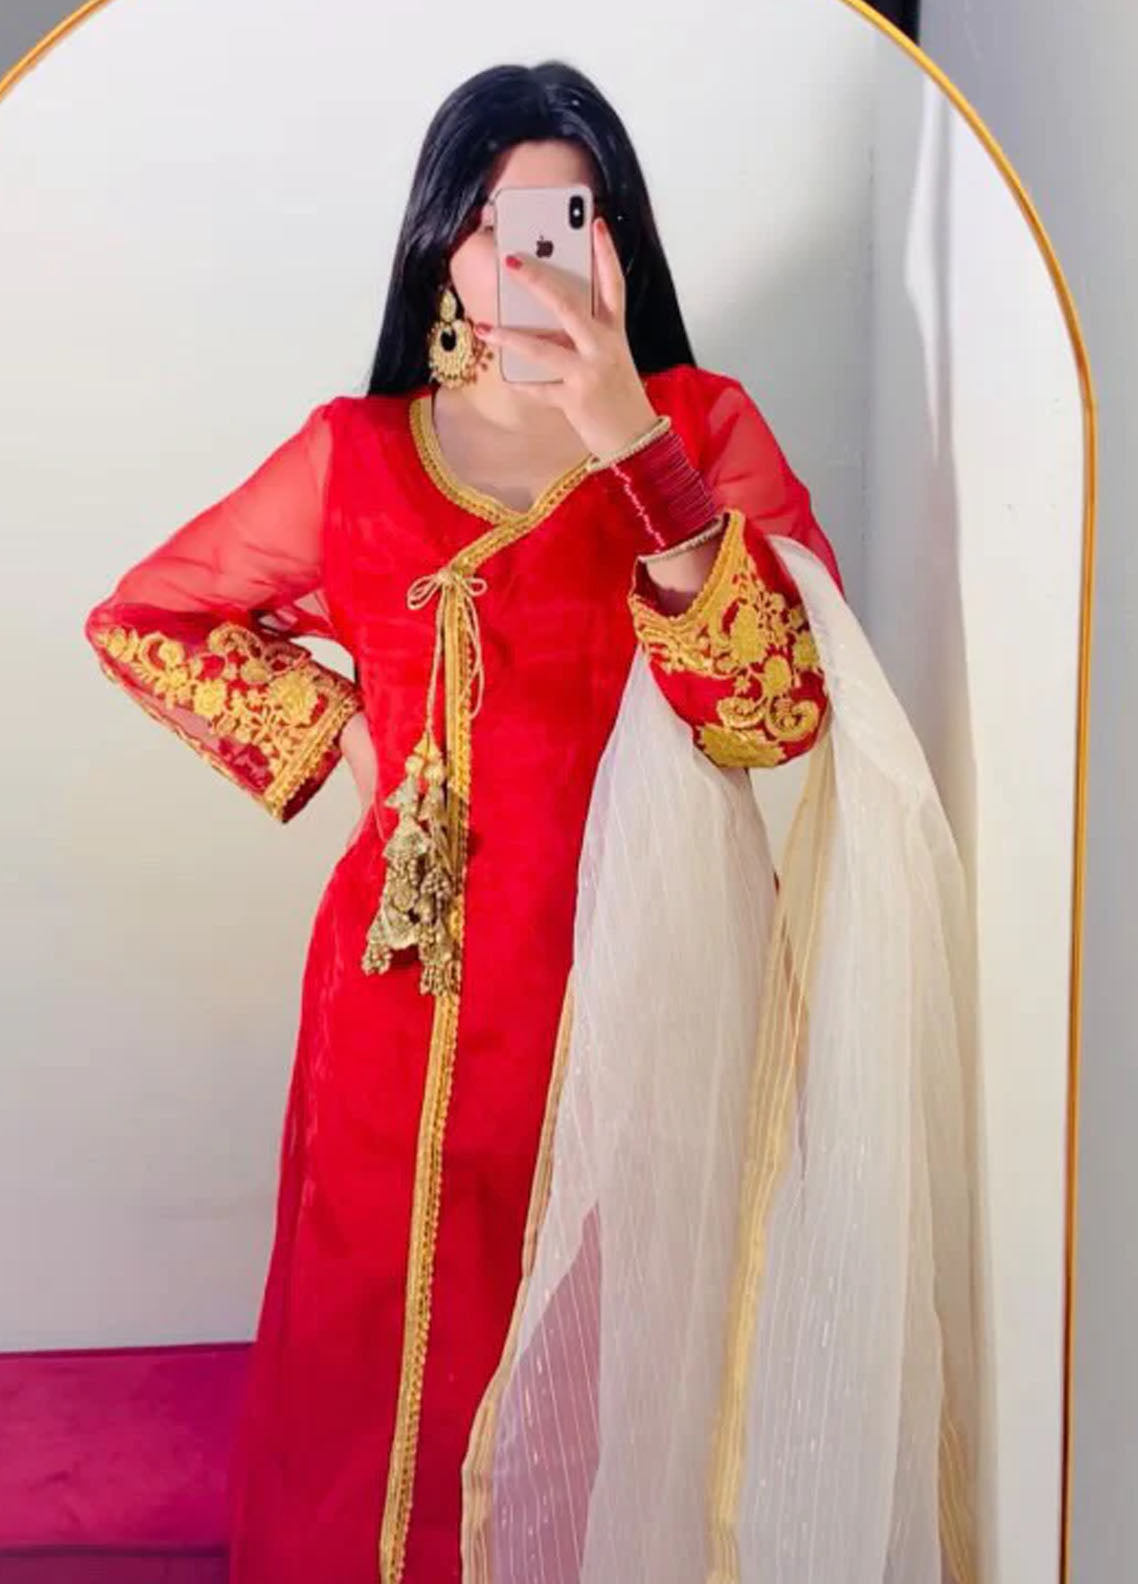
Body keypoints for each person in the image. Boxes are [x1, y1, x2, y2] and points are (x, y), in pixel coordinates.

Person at [84, 60, 978, 1584]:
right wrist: (342, 730)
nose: (532, 258)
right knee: (375, 1362)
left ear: (616, 240)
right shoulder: (359, 454)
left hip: (636, 995)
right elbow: (144, 617)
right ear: (444, 248)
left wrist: (627, 438)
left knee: (614, 1362)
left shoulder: (698, 430)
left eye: (573, 219)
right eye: (499, 226)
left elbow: (772, 712)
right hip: (400, 1003)